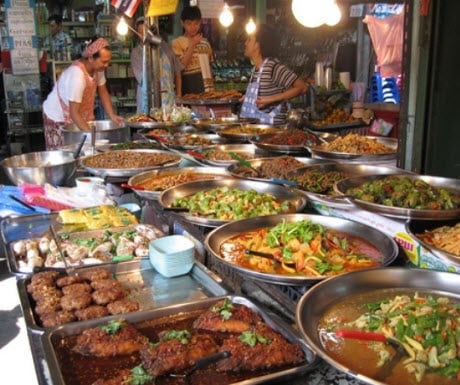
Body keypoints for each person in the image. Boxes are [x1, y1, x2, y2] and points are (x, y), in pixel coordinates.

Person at [42, 37, 124, 149]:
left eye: (108, 61)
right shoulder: (77, 76)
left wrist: (112, 115)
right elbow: (74, 113)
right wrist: (92, 137)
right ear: (91, 58)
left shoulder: (97, 69)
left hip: (78, 114)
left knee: (85, 149)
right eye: (104, 62)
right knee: (66, 153)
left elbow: (103, 91)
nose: (106, 65)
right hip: (58, 117)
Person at [240, 24, 308, 126]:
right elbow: (263, 95)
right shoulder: (256, 69)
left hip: (273, 132)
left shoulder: (273, 67)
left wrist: (271, 99)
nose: (245, 43)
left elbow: (302, 87)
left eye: (249, 40)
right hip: (256, 130)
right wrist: (249, 97)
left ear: (258, 45)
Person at [131, 17, 183, 113]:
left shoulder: (166, 47)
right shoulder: (136, 53)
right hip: (147, 100)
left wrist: (178, 96)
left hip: (169, 99)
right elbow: (143, 78)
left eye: (147, 32)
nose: (144, 36)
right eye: (140, 33)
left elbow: (177, 71)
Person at [171, 5, 214, 95]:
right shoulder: (177, 43)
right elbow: (180, 67)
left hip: (207, 88)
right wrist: (192, 45)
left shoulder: (205, 43)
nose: (193, 27)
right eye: (189, 24)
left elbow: (209, 67)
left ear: (200, 23)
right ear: (182, 23)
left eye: (196, 23)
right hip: (188, 86)